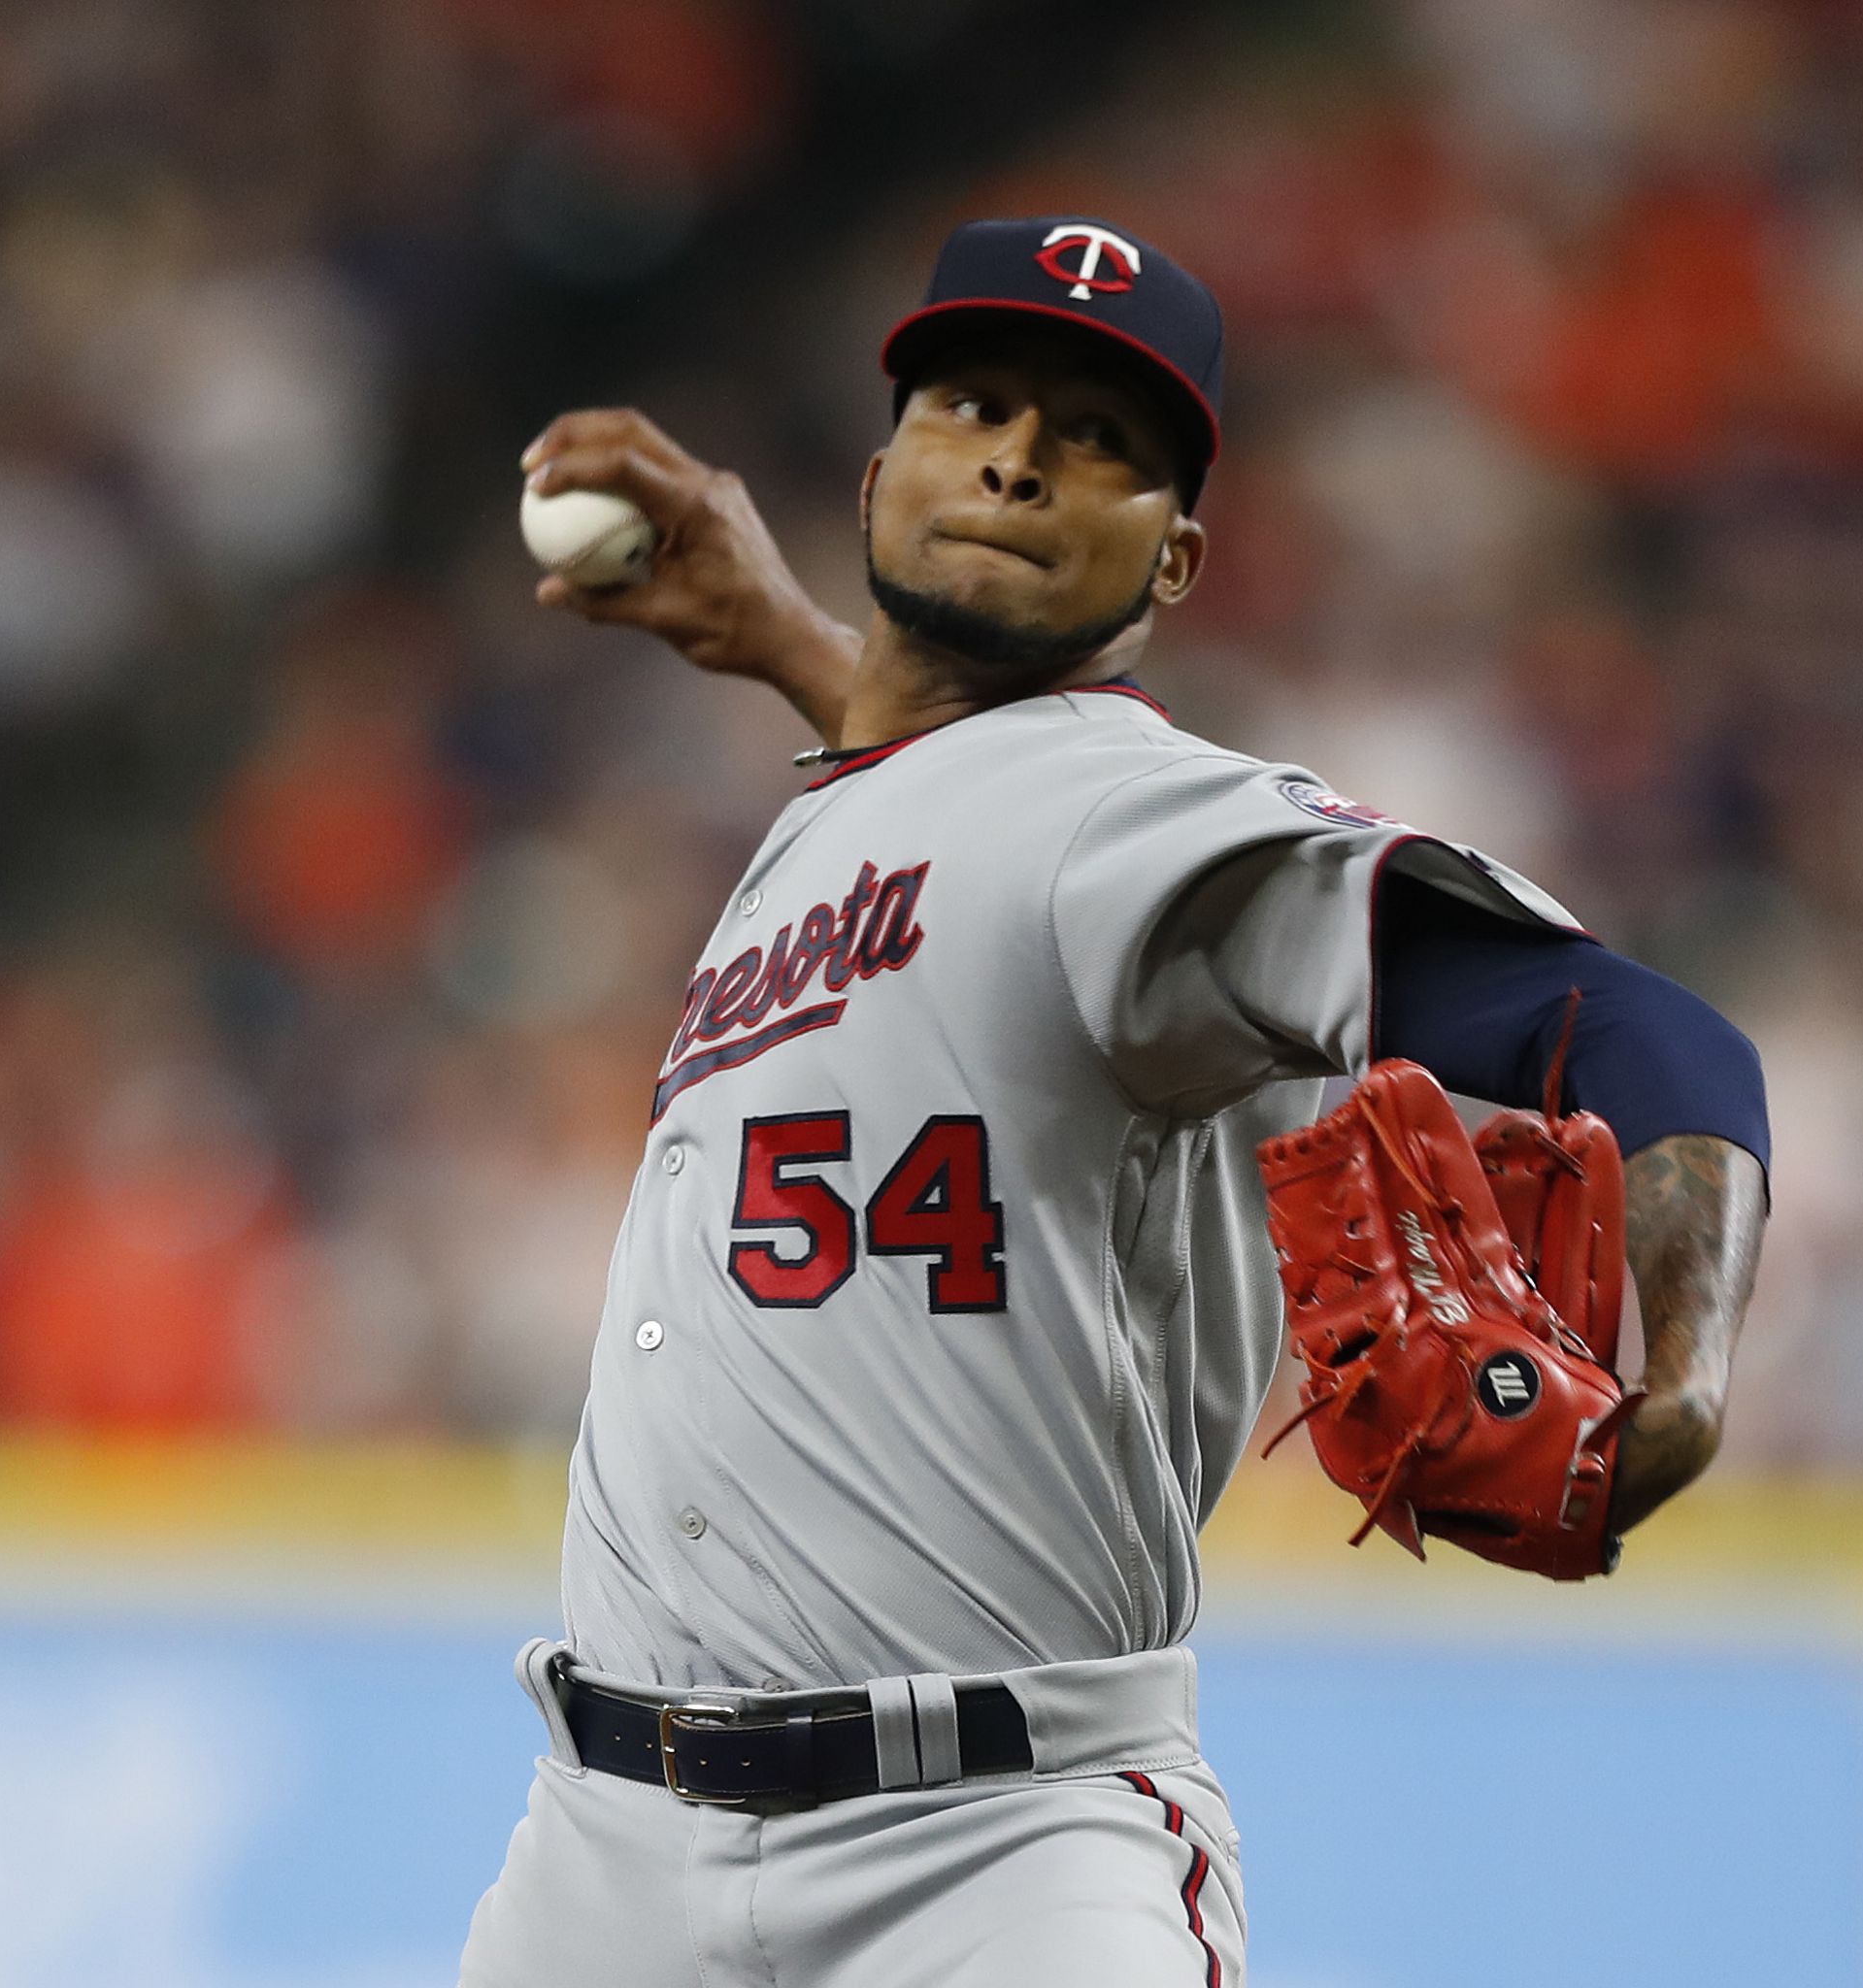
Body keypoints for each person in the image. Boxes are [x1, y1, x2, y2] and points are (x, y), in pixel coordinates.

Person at [460, 217, 1769, 1988]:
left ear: (1175, 562)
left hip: (991, 1856)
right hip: (600, 1852)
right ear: (874, 475)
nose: (1015, 455)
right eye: (975, 403)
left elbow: (1638, 1030)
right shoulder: (866, 806)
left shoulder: (1151, 824)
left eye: (1099, 441)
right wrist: (776, 631)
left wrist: (1680, 1372)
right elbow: (952, 810)